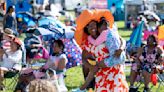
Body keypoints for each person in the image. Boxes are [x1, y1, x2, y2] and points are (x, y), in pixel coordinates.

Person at [74, 9, 129, 92]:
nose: (92, 28)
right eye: (89, 26)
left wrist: (121, 48)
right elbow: (84, 58)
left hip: (115, 68)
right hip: (102, 71)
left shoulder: (105, 33)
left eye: (93, 25)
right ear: (86, 29)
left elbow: (122, 40)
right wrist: (91, 67)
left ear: (97, 25)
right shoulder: (87, 42)